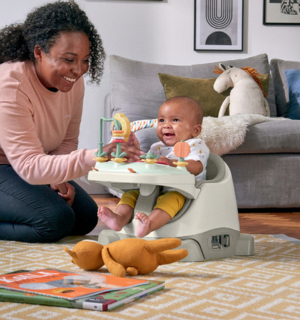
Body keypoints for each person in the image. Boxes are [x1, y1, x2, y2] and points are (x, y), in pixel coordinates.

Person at [0, 0, 142, 243]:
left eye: (85, 60)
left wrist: (58, 177)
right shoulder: (12, 86)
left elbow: (66, 140)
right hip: (8, 167)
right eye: (69, 59)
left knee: (86, 217)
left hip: (27, 167)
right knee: (55, 220)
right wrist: (95, 156)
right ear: (38, 53)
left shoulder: (72, 83)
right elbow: (29, 166)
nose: (78, 70)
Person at [98, 96, 210, 238]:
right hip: (153, 188)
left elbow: (197, 167)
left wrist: (172, 163)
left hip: (182, 191)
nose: (166, 125)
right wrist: (136, 151)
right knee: (130, 194)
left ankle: (150, 224)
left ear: (195, 130)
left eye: (175, 120)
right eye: (162, 120)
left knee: (170, 199)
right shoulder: (156, 148)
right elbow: (147, 165)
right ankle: (119, 218)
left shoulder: (195, 145)